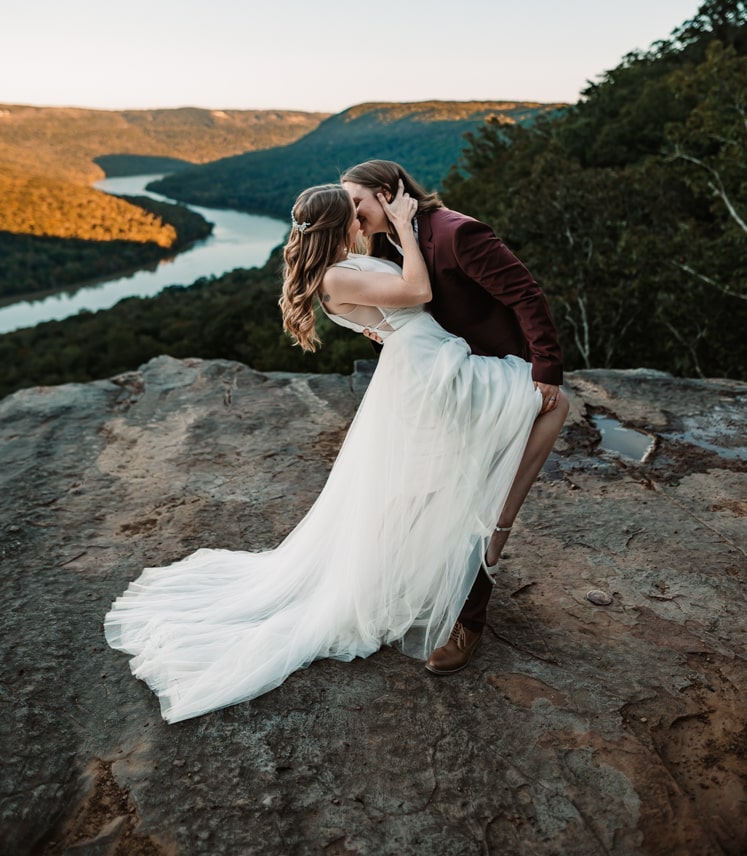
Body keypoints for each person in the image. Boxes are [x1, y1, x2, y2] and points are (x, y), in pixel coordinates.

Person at [104, 183, 544, 722]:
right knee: (546, 406)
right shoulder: (337, 274)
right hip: (434, 371)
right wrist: (405, 227)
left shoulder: (339, 268)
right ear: (343, 225)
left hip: (424, 365)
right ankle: (493, 535)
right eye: (356, 212)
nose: (364, 217)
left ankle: (460, 559)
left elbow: (388, 314)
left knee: (436, 481)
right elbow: (419, 295)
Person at [341, 159, 568, 675]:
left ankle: (470, 621)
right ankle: (429, 586)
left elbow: (525, 293)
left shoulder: (457, 233)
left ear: (387, 192)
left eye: (356, 202)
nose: (350, 215)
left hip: (494, 376)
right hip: (443, 382)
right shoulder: (387, 242)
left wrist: (546, 371)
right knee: (418, 494)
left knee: (477, 499)